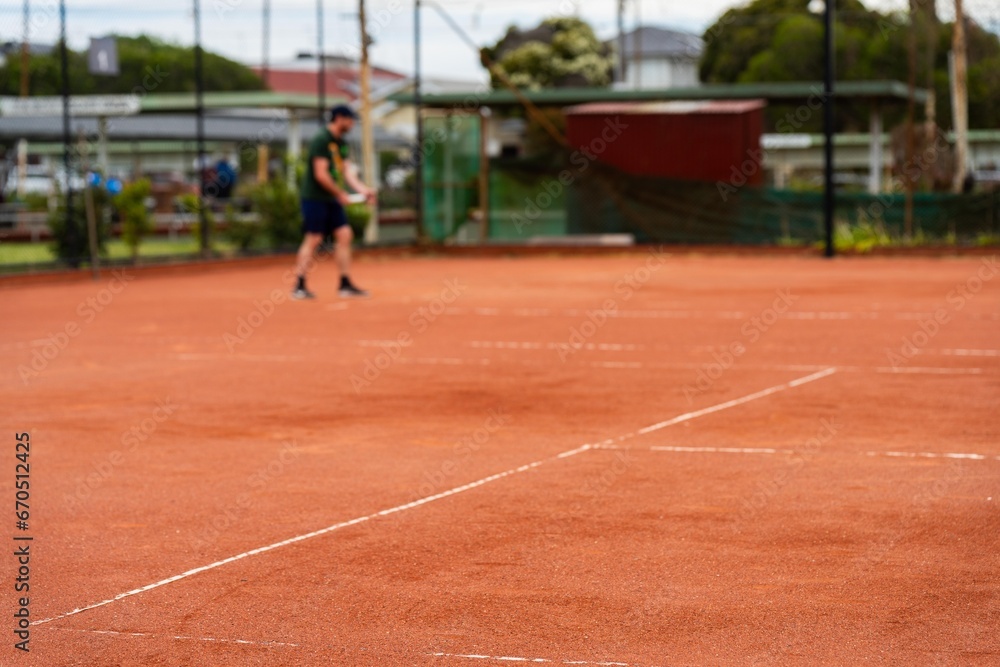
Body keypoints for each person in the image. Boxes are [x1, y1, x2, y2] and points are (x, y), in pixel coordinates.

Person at [293, 105, 376, 300]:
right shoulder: (321, 140)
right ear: (339, 118)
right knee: (314, 238)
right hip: (314, 198)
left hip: (331, 198)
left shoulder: (341, 143)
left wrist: (363, 189)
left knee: (344, 234)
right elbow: (320, 174)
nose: (352, 124)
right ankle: (299, 284)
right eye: (350, 119)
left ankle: (344, 284)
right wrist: (340, 194)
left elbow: (346, 171)